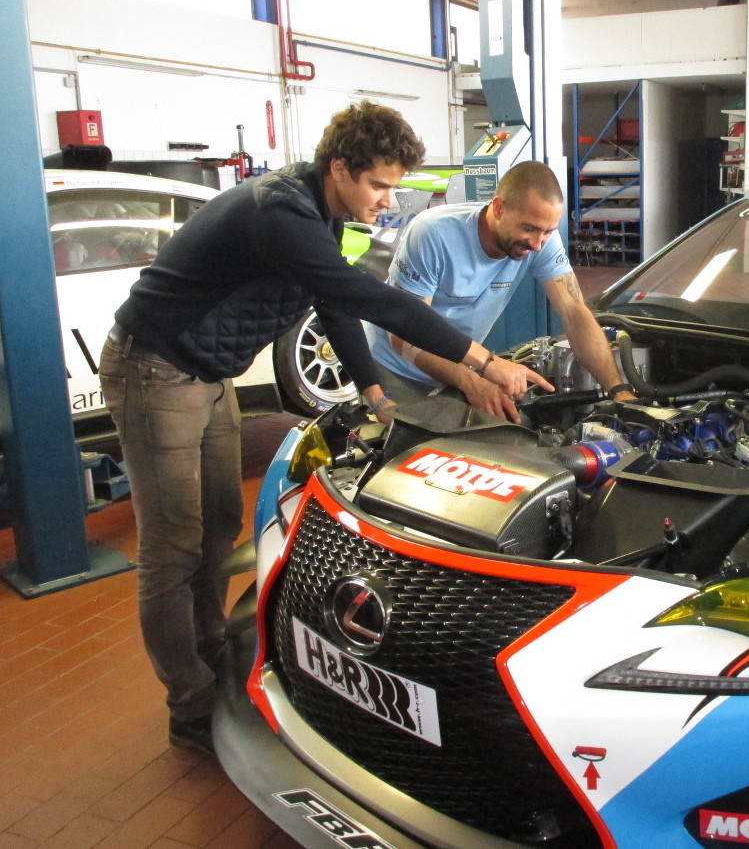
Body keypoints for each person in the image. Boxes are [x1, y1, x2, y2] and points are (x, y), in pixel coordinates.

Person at [98, 101, 546, 754]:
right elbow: (370, 298)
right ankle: (189, 705)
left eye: (393, 186)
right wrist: (481, 358)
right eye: (379, 185)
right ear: (339, 168)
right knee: (173, 546)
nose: (388, 200)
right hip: (155, 370)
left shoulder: (321, 214)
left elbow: (333, 302)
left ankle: (213, 656)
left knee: (218, 524)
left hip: (208, 376)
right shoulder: (279, 213)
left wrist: (375, 393)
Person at [365, 160, 636, 422]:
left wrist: (618, 390)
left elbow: (575, 311)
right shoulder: (433, 234)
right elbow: (403, 337)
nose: (537, 244)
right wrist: (473, 377)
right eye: (529, 228)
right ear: (498, 208)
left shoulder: (542, 239)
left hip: (463, 361)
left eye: (547, 232)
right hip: (398, 369)